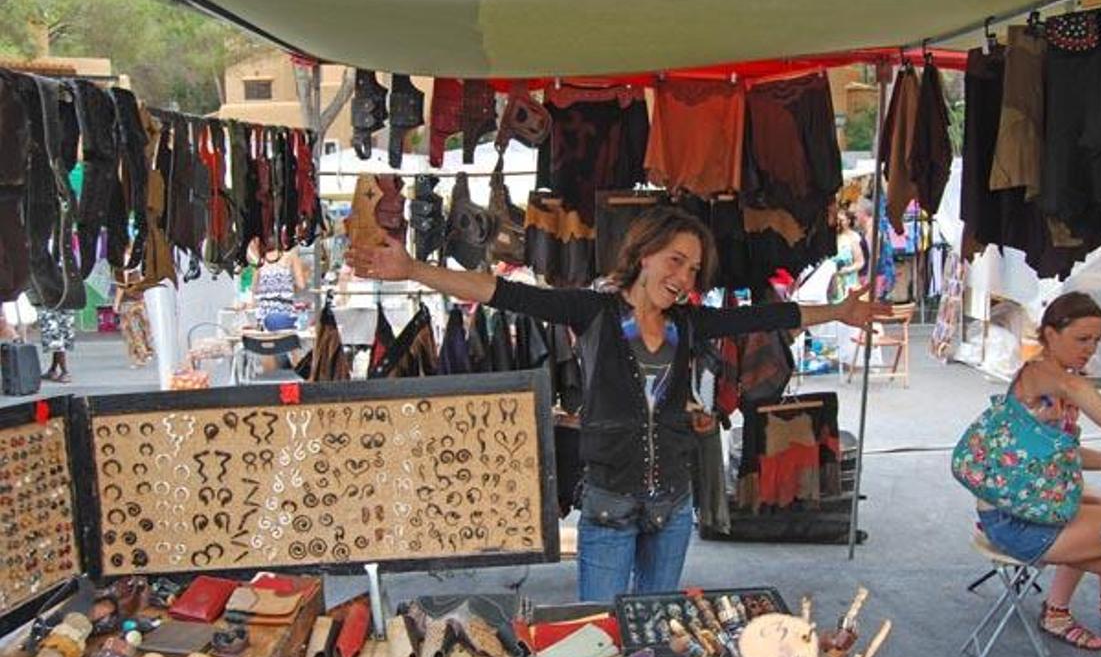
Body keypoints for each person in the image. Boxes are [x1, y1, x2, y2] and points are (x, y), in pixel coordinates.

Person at [348, 205, 886, 601]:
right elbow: (499, 292)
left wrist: (838, 311)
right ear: (644, 254)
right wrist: (415, 269)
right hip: (608, 506)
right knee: (600, 638)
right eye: (676, 261)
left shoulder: (689, 324)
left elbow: (769, 317)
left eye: (694, 270)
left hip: (672, 506)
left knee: (655, 633)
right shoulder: (596, 312)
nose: (683, 278)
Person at [971, 292, 1101, 657]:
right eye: (1082, 339)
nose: (1090, 349)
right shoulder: (1038, 375)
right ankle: (1065, 615)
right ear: (1050, 335)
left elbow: (1067, 454)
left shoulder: (1058, 381)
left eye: (1096, 341)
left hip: (1032, 510)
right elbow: (1079, 390)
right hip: (1015, 520)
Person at [112, 267, 153, 368]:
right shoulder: (139, 261)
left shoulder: (122, 264)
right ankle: (146, 351)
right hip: (139, 300)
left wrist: (116, 303)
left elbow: (121, 285)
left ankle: (139, 357)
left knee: (131, 331)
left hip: (128, 302)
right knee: (144, 327)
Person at [828, 208, 865, 304]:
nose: (838, 224)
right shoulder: (830, 240)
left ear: (848, 221)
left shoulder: (851, 239)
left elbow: (860, 262)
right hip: (832, 286)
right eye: (837, 221)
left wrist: (847, 270)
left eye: (841, 221)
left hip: (849, 285)